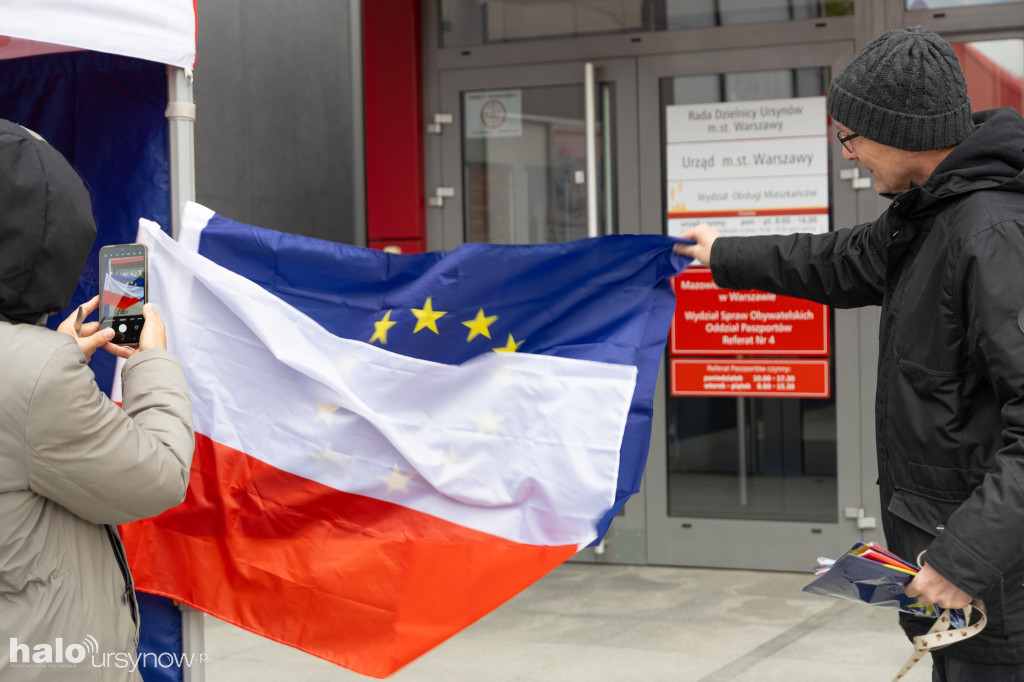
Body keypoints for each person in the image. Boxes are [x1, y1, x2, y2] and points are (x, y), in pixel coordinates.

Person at [675, 26, 1024, 680]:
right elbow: (837, 260)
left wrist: (964, 560)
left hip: (995, 589)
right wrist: (723, 253)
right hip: (948, 573)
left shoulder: (993, 235)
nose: (852, 154)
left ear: (900, 132)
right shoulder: (928, 216)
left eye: (852, 137)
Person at [0, 120, 194, 680]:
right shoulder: (35, 377)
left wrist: (44, 360)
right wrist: (150, 361)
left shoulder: (34, 372)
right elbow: (157, 475)